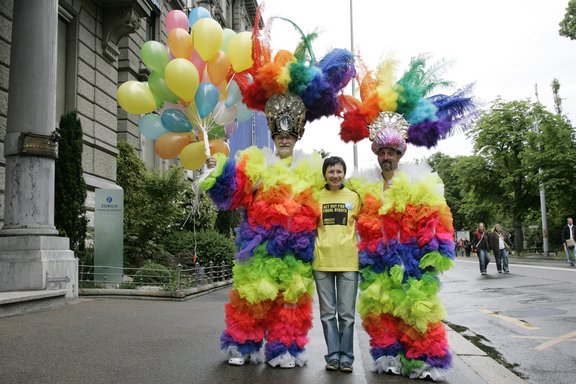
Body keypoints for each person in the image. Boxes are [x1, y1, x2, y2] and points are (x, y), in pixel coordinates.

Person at [201, 24, 355, 368]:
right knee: (252, 299)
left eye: (290, 134)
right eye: (279, 134)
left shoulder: (314, 168)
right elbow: (233, 189)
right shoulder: (255, 160)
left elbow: (333, 197)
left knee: (291, 303)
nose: (284, 139)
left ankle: (285, 349)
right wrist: (216, 169)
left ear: (297, 135)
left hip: (296, 254)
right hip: (259, 250)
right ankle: (244, 347)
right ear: (273, 134)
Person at [338, 55, 476, 380]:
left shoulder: (419, 181)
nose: (387, 157)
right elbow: (343, 205)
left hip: (412, 259)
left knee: (417, 311)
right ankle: (389, 358)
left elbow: (436, 222)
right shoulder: (362, 183)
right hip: (377, 261)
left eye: (392, 152)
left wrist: (432, 256)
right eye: (382, 152)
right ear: (376, 153)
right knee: (381, 311)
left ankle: (425, 362)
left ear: (401, 154)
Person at [313, 156, 360, 373]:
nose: (335, 175)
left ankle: (347, 358)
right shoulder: (315, 196)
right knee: (327, 314)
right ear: (325, 174)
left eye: (339, 171)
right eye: (331, 171)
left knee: (347, 315)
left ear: (344, 173)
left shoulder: (354, 197)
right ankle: (333, 356)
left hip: (349, 262)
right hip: (322, 262)